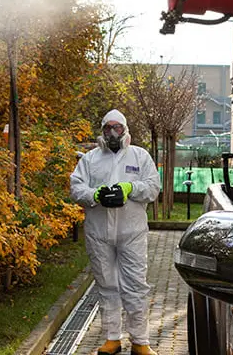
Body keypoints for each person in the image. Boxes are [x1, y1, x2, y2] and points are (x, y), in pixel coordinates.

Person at [70, 109, 160, 355]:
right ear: (102, 130)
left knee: (136, 286)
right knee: (107, 285)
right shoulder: (90, 159)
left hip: (132, 233)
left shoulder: (140, 156)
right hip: (99, 233)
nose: (112, 132)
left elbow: (153, 188)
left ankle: (140, 341)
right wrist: (95, 195)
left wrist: (130, 187)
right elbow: (77, 189)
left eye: (117, 127)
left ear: (125, 129)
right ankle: (112, 338)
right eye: (108, 127)